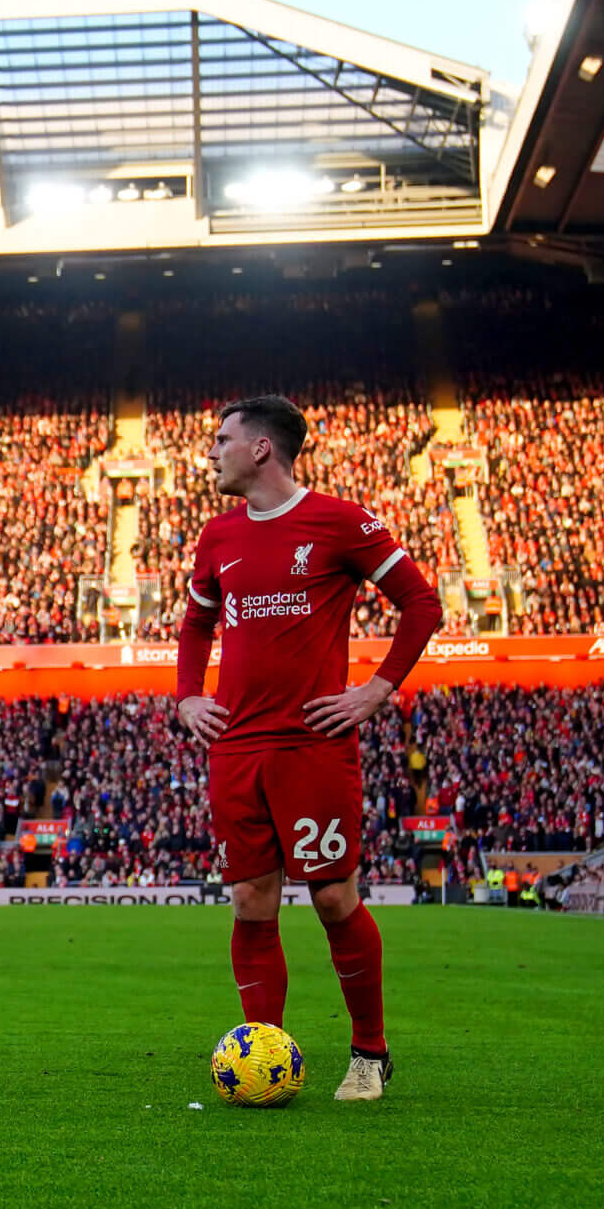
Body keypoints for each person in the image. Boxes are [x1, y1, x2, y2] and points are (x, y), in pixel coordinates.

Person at [174, 394, 443, 1103]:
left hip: (313, 741)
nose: (212, 450)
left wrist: (376, 689)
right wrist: (187, 695)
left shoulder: (340, 521)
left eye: (222, 439)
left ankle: (369, 1054)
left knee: (330, 895)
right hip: (235, 744)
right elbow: (196, 622)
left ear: (261, 448)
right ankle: (264, 1057)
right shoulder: (217, 536)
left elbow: (423, 604)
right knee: (250, 899)